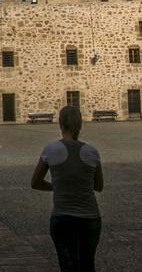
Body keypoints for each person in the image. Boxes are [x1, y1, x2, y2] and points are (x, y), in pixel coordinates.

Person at [31, 106, 103, 272]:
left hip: (62, 217)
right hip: (90, 218)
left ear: (60, 125)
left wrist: (57, 187)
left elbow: (35, 183)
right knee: (87, 264)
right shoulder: (92, 152)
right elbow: (99, 186)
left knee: (67, 265)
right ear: (80, 125)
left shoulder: (51, 150)